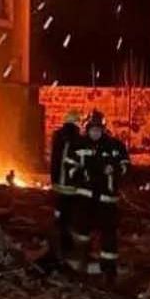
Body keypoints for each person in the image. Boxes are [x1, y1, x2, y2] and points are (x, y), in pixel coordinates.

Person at [71, 111, 131, 281]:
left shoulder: (115, 146)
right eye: (92, 129)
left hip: (107, 199)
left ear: (103, 129)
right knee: (82, 231)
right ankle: (81, 264)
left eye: (98, 129)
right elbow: (70, 168)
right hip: (85, 197)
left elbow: (126, 166)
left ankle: (108, 269)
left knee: (109, 233)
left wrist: (115, 169)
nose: (95, 133)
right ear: (87, 129)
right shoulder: (79, 145)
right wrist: (83, 174)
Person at [42, 111, 84, 270]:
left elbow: (55, 160)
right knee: (71, 217)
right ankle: (69, 246)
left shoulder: (58, 136)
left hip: (59, 184)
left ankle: (58, 244)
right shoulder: (78, 139)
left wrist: (53, 181)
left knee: (60, 215)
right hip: (73, 187)